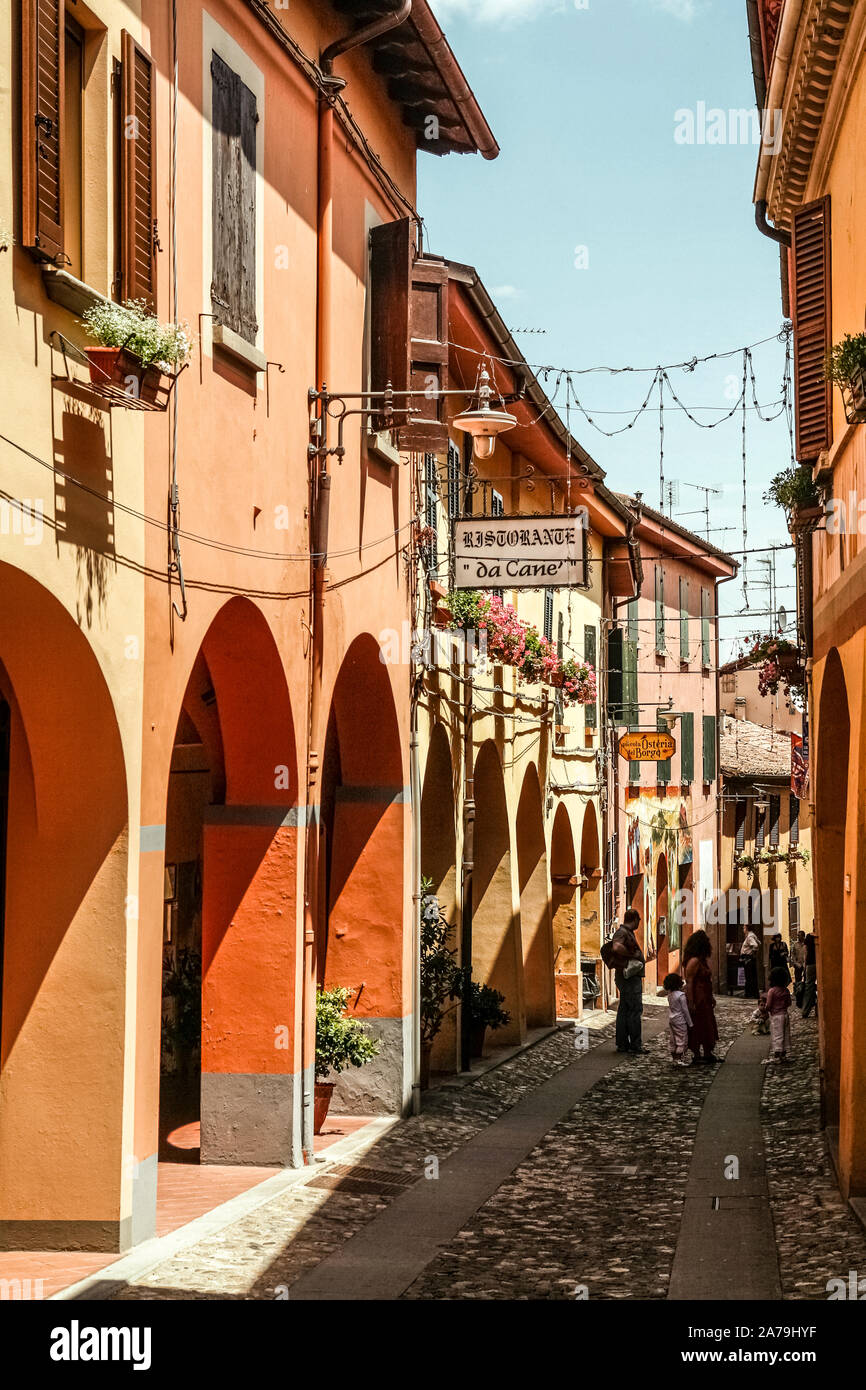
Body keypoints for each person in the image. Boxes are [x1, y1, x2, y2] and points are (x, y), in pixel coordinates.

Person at [610, 908, 653, 1055]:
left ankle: (623, 1044)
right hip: (629, 978)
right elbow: (616, 947)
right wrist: (631, 954)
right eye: (638, 920)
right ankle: (635, 1045)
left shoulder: (626, 933)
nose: (639, 923)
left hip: (627, 978)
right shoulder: (622, 933)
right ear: (634, 919)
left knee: (624, 1010)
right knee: (634, 1011)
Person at [683, 928, 720, 1063]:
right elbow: (690, 982)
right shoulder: (694, 961)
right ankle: (697, 1055)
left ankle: (708, 1053)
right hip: (698, 997)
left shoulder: (700, 960)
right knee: (699, 1025)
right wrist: (691, 1002)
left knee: (707, 1024)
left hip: (704, 996)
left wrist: (711, 997)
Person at [763, 966, 793, 1064]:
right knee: (785, 1034)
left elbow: (769, 1005)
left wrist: (765, 1010)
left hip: (776, 1017)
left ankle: (777, 1056)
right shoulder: (786, 990)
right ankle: (783, 1055)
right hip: (785, 1015)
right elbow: (789, 1003)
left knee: (777, 1035)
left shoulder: (772, 991)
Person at [664, 972, 692, 1067]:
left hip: (672, 1019)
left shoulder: (670, 995)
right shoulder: (681, 995)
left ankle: (674, 1058)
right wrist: (690, 1023)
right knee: (681, 1039)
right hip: (680, 1020)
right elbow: (685, 1010)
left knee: (673, 1039)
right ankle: (678, 1059)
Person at [739, 926, 761, 999]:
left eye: (744, 928)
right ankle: (753, 994)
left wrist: (752, 954)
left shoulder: (750, 936)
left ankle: (750, 994)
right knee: (751, 976)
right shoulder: (752, 935)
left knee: (749, 977)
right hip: (749, 958)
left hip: (748, 959)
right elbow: (759, 942)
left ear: (747, 929)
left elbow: (756, 945)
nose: (743, 929)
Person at [801, 930, 818, 1018]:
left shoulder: (808, 937)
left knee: (808, 987)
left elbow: (805, 952)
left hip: (810, 964)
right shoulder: (820, 935)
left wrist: (805, 965)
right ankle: (818, 1011)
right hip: (820, 964)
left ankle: (805, 1011)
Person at [790, 930, 806, 1005]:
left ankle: (805, 993)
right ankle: (797, 993)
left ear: (803, 936)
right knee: (797, 979)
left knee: (806, 979)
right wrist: (795, 963)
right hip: (798, 964)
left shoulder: (806, 945)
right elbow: (793, 955)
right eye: (797, 935)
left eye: (799, 935)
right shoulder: (795, 945)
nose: (798, 937)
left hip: (805, 964)